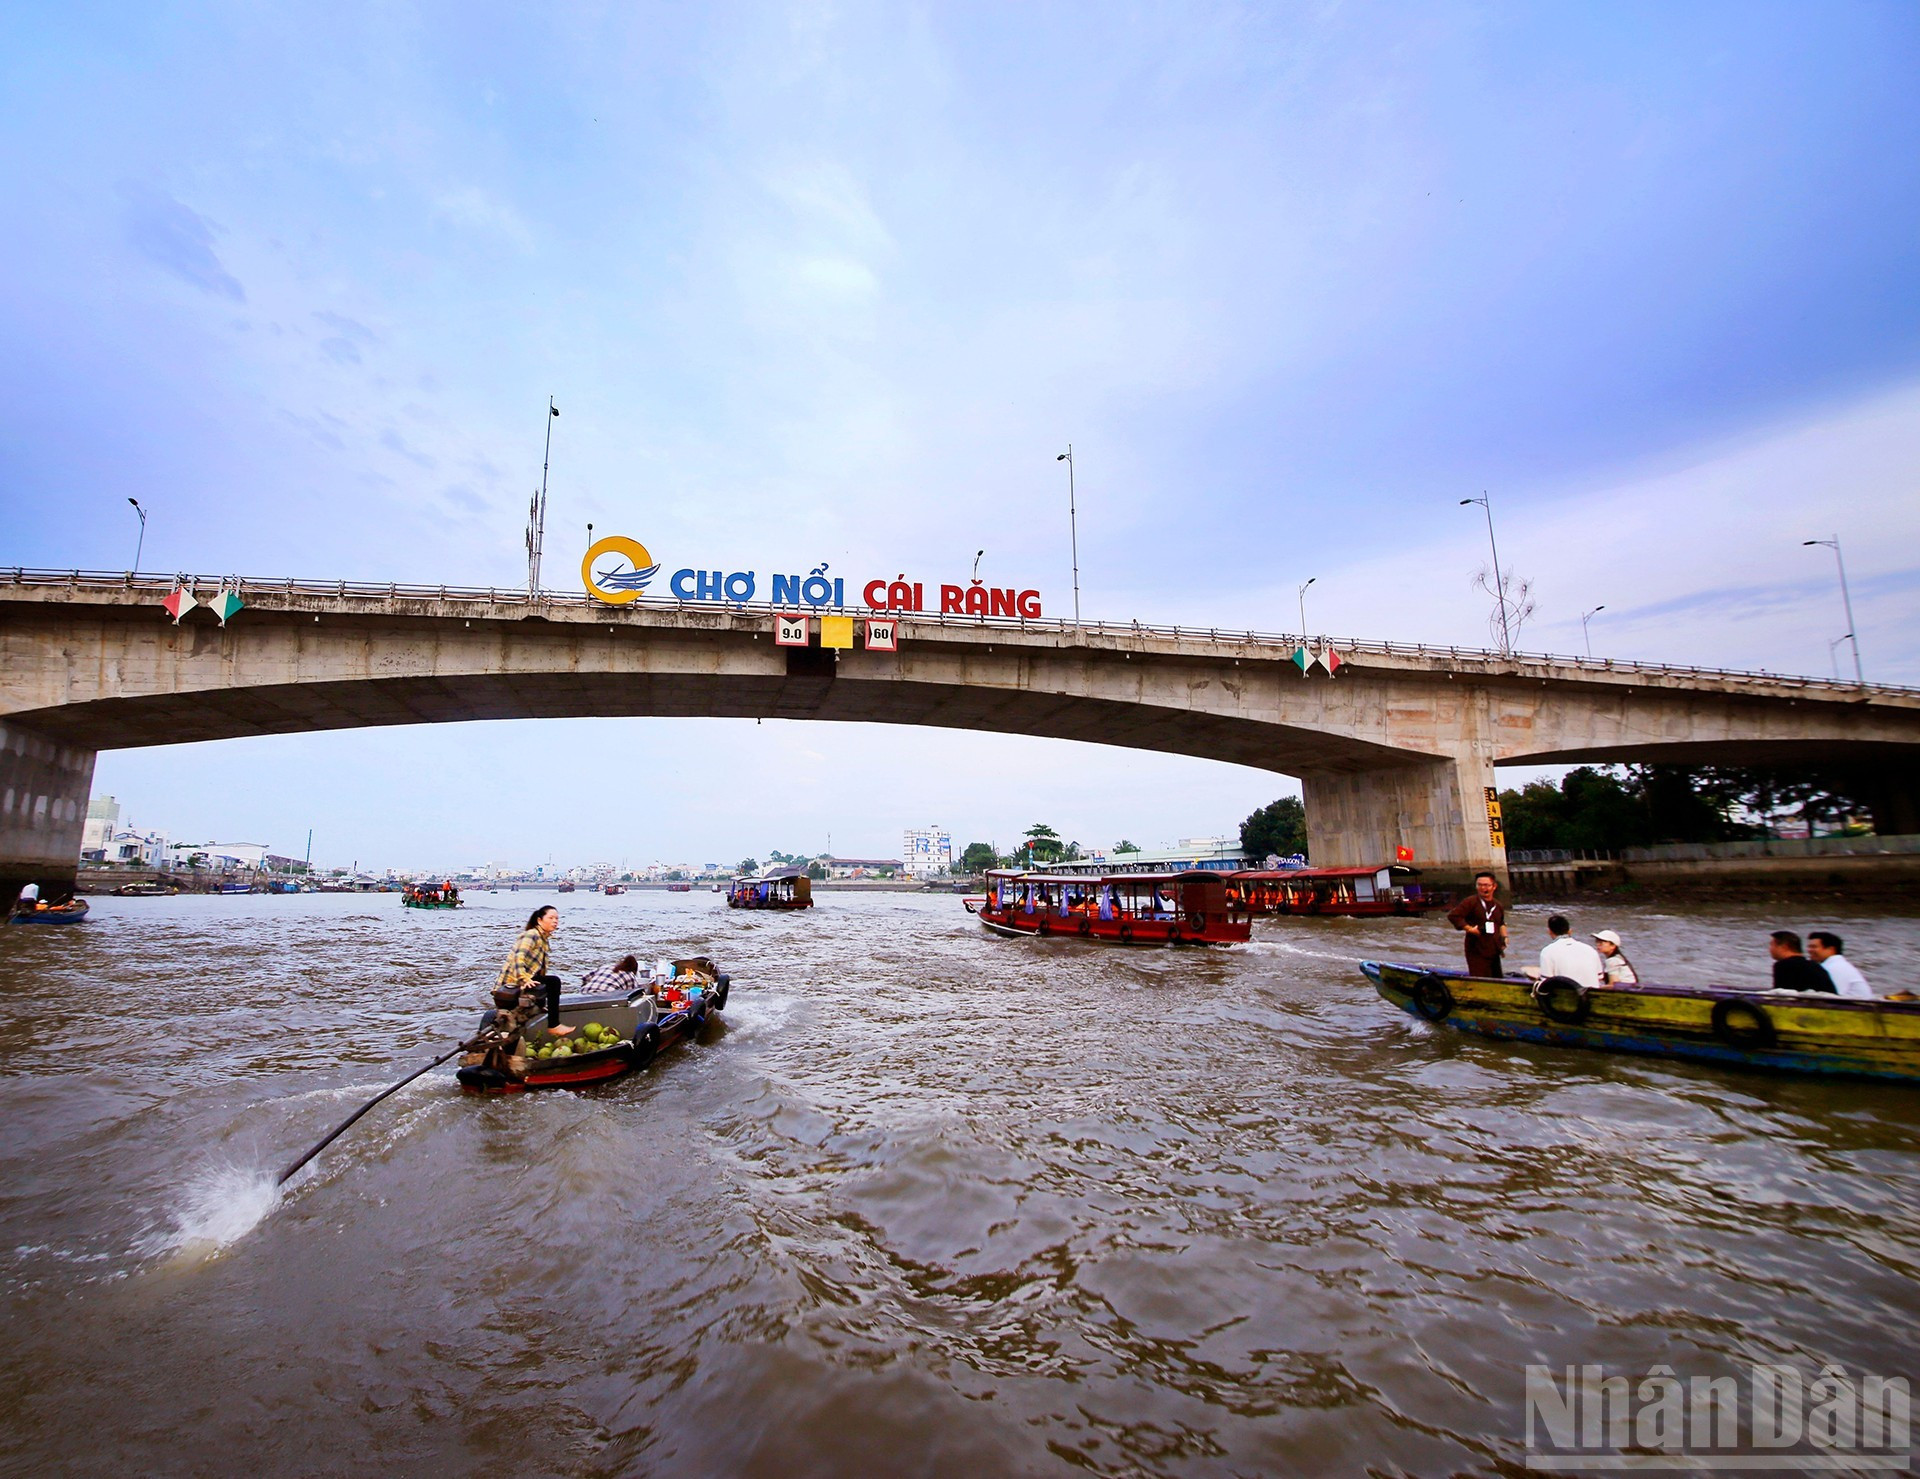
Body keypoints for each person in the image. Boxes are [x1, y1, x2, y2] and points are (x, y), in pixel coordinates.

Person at [472, 906, 564, 1066]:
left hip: (522, 986)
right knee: (553, 983)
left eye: (557, 918)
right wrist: (524, 978)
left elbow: (538, 967)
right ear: (539, 920)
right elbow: (518, 957)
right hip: (511, 986)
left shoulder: (543, 939)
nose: (555, 921)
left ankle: (506, 1056)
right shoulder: (532, 935)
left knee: (547, 987)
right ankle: (553, 1025)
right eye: (551, 918)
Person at [1445, 871, 1508, 978]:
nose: (1483, 888)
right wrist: (1469, 928)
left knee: (1496, 976)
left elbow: (1501, 923)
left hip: (1493, 948)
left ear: (1494, 886)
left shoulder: (1498, 905)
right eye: (1480, 885)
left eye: (1486, 885)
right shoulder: (1470, 902)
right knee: (1480, 976)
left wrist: (1504, 937)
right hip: (1476, 948)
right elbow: (1454, 916)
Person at [1539, 915, 1604, 990]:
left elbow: (1546, 982)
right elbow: (1600, 977)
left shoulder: (1547, 951)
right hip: (1592, 997)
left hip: (1567, 998)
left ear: (1550, 932)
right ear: (1570, 931)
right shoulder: (1590, 949)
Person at [1807, 932, 1871, 998]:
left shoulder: (1836, 967)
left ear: (1831, 949)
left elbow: (1832, 996)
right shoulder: (1835, 964)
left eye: (1813, 947)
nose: (1809, 950)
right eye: (1809, 947)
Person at [1768, 930, 1834, 993]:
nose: (1770, 949)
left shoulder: (1783, 965)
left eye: (1771, 945)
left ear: (1784, 947)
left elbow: (1780, 995)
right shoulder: (1814, 965)